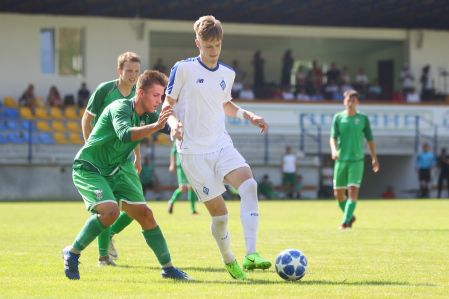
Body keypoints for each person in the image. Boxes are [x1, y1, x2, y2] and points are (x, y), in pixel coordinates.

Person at [163, 15, 271, 280]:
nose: (213, 52)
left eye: (218, 46)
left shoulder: (227, 73)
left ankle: (252, 254)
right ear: (197, 42)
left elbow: (225, 104)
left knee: (249, 185)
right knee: (220, 216)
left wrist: (248, 115)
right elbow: (167, 106)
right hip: (193, 153)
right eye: (208, 46)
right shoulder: (183, 69)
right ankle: (229, 258)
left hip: (220, 144)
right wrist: (174, 125)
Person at [62, 70, 189, 281]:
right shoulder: (119, 108)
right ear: (140, 93)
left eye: (161, 96)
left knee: (145, 214)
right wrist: (156, 127)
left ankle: (168, 268)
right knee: (110, 211)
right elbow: (124, 134)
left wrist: (176, 128)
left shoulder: (148, 114)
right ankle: (72, 252)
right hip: (89, 167)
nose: (159, 101)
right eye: (155, 95)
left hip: (116, 169)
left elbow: (168, 123)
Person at [81, 52, 142, 266]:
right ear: (120, 71)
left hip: (125, 159)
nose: (133, 75)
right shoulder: (105, 90)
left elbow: (136, 130)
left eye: (137, 71)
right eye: (129, 71)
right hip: (103, 159)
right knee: (111, 205)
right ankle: (103, 258)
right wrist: (91, 149)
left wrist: (137, 156)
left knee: (138, 207)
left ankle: (110, 235)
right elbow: (86, 119)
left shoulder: (137, 93)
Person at [330, 90, 379, 230]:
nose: (351, 102)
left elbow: (370, 140)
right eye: (348, 99)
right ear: (344, 101)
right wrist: (334, 150)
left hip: (357, 161)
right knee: (338, 194)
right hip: (341, 160)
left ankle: (345, 222)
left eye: (354, 99)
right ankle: (350, 215)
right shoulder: (338, 118)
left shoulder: (362, 119)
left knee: (352, 191)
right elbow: (332, 137)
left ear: (357, 102)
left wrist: (374, 158)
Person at [167, 141, 198, 214]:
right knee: (183, 187)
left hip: (190, 165)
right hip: (181, 165)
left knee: (192, 187)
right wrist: (172, 164)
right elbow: (173, 151)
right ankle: (171, 201)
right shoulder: (179, 137)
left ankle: (193, 210)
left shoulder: (191, 138)